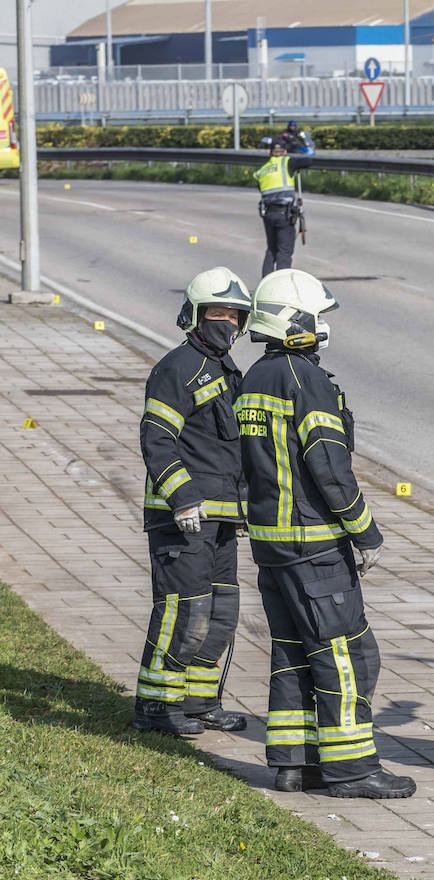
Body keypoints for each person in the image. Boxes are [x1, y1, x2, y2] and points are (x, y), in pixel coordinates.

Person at [235, 268, 415, 799]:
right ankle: (354, 770)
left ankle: (295, 763)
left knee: (293, 650)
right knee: (347, 654)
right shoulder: (305, 380)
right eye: (316, 317)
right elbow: (329, 467)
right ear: (296, 322)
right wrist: (366, 532)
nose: (323, 328)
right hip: (314, 544)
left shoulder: (253, 379)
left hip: (271, 544)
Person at [134, 267, 253, 736]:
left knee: (220, 611)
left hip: (222, 518)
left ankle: (200, 701)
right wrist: (181, 498)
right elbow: (157, 438)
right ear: (197, 315)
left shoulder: (228, 372)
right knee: (183, 609)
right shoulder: (176, 368)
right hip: (182, 517)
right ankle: (157, 706)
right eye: (220, 313)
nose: (229, 323)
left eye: (236, 315)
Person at [253, 138, 312, 278]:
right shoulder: (287, 162)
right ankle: (280, 285)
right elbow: (309, 160)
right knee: (284, 251)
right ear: (285, 152)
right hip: (284, 214)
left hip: (268, 214)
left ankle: (265, 281)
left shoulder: (262, 170)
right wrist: (302, 147)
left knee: (271, 249)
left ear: (269, 152)